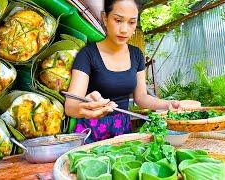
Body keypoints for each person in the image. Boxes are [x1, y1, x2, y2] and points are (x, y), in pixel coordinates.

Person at [65, 0, 182, 144]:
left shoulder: (137, 55)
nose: (125, 29)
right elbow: (70, 106)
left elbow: (141, 98)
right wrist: (87, 106)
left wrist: (168, 104)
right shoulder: (87, 54)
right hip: (90, 132)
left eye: (131, 22)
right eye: (118, 20)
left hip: (122, 131)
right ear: (105, 18)